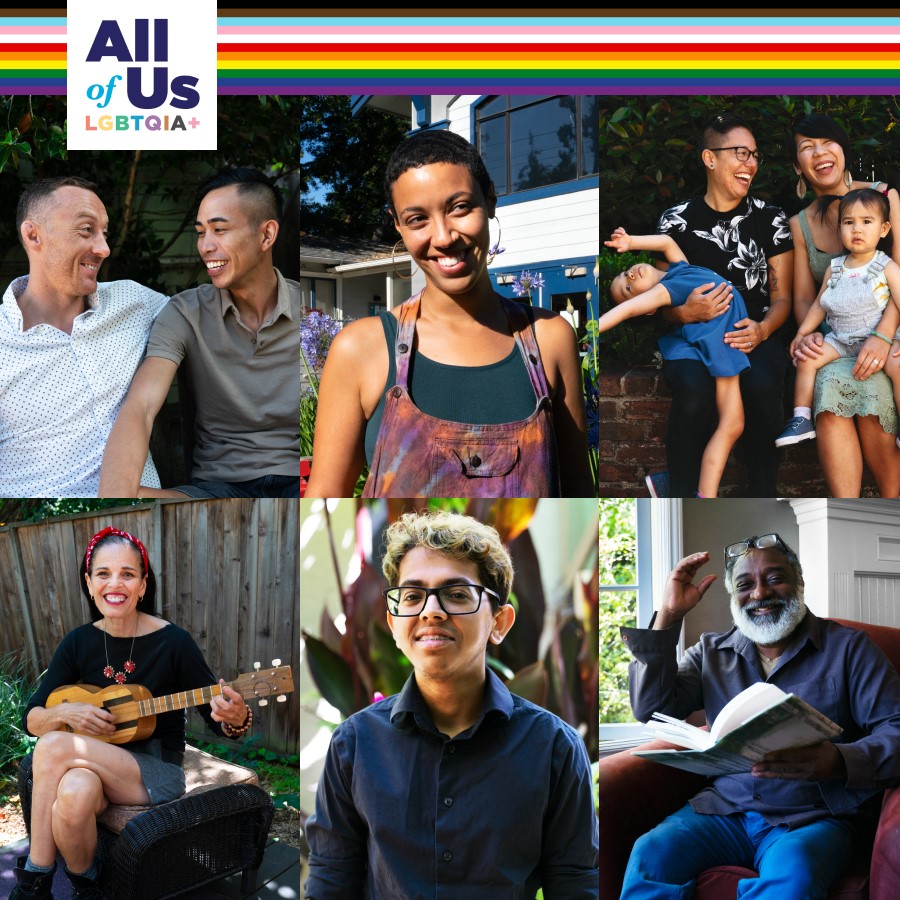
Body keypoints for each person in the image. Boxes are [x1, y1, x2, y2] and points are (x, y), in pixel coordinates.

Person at [304, 510, 599, 898]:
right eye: (412, 596)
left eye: (457, 594)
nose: (431, 611)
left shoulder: (554, 748)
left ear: (499, 622)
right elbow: (331, 881)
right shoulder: (354, 745)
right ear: (394, 625)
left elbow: (576, 886)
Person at [305, 129, 592, 498]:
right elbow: (323, 515)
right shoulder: (360, 350)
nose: (443, 237)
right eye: (417, 219)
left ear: (490, 200)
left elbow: (579, 499)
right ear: (397, 225)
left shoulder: (550, 338)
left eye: (459, 207)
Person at [618, 532, 900, 898]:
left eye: (775, 579)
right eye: (745, 584)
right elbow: (651, 708)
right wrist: (669, 616)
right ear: (733, 595)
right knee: (649, 854)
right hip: (724, 811)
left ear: (799, 582)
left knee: (792, 878)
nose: (760, 594)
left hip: (812, 817)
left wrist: (838, 760)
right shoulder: (711, 652)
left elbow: (895, 727)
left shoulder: (850, 649)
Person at [10, 526, 253, 900]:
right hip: (90, 765)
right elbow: (33, 718)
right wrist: (72, 711)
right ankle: (86, 885)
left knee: (53, 746)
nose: (115, 584)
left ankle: (35, 879)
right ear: (89, 584)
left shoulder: (174, 642)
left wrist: (236, 717)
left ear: (142, 585)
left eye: (127, 573)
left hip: (153, 770)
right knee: (73, 793)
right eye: (103, 574)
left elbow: (217, 717)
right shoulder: (78, 642)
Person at [97, 166, 300, 499]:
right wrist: (118, 496)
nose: (206, 246)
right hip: (217, 489)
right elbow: (142, 406)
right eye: (201, 232)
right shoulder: (184, 313)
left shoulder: (307, 314)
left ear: (266, 235)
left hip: (300, 479)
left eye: (219, 229)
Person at [651, 111, 794, 498]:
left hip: (754, 335)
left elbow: (782, 299)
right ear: (710, 158)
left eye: (755, 156)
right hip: (694, 336)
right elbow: (657, 299)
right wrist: (682, 313)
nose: (750, 164)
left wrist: (763, 329)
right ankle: (681, 491)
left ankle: (762, 492)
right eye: (741, 153)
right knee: (695, 393)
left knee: (763, 386)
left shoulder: (771, 218)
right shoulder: (676, 221)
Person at [1, 175, 168, 497]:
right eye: (86, 230)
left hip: (145, 503)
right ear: (34, 235)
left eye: (104, 233)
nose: (103, 248)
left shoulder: (137, 304)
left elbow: (212, 316)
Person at [788, 112, 900, 496]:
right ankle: (846, 510)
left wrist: (884, 337)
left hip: (886, 332)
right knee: (829, 391)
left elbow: (899, 276)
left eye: (827, 142)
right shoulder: (800, 223)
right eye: (807, 147)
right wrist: (810, 338)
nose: (819, 153)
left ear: (843, 149)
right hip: (836, 338)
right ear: (797, 166)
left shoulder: (885, 197)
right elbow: (807, 297)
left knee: (877, 391)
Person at [601, 227, 747, 497]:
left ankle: (697, 491)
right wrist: (593, 328)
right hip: (723, 346)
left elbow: (667, 242)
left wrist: (632, 241)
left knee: (733, 423)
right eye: (629, 288)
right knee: (733, 423)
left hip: (727, 341)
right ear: (649, 306)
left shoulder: (680, 269)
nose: (630, 276)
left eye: (624, 275)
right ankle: (703, 495)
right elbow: (627, 309)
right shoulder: (665, 291)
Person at [777, 189, 900, 448]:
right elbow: (819, 307)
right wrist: (802, 333)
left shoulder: (886, 266)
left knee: (898, 366)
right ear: (840, 229)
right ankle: (801, 418)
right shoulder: (835, 268)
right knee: (807, 358)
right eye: (849, 222)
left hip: (878, 339)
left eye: (867, 222)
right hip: (841, 340)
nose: (857, 229)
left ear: (884, 229)